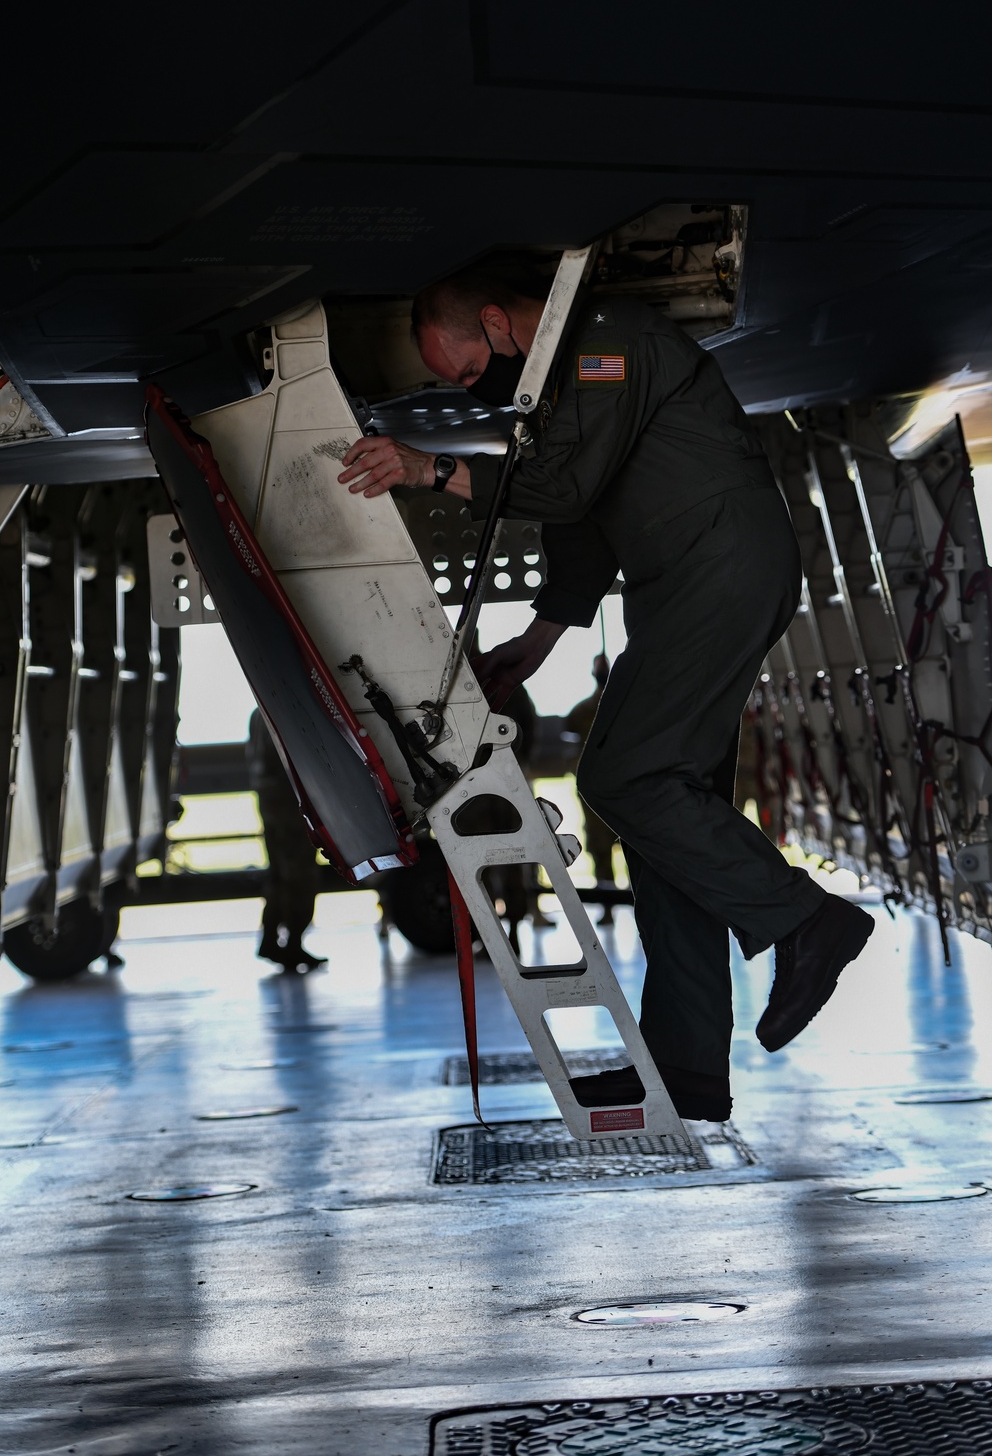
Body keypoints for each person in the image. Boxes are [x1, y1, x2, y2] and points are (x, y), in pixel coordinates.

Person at [336, 255, 874, 1121]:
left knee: (623, 776)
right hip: (682, 583)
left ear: (501, 325)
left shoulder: (605, 343)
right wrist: (540, 640)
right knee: (665, 811)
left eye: (472, 370)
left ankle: (806, 920)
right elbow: (579, 524)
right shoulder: (555, 391)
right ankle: (686, 1068)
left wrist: (429, 468)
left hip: (721, 567)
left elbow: (567, 487)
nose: (475, 393)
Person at [246, 711, 327, 973]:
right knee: (300, 874)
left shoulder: (259, 712)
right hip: (289, 800)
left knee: (280, 874)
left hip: (271, 799)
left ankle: (272, 938)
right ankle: (292, 941)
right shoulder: (283, 707)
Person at [563, 653, 620, 924]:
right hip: (603, 789)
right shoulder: (598, 707)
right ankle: (611, 905)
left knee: (616, 848)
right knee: (601, 848)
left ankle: (620, 905)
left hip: (612, 788)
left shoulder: (607, 705)